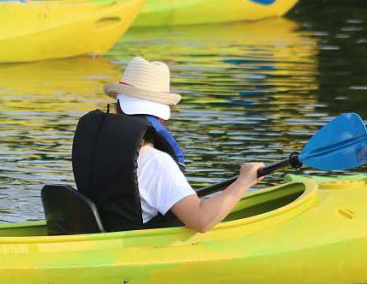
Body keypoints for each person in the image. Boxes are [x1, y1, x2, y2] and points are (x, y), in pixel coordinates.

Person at [72, 57, 263, 233]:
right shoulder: (157, 162)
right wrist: (243, 181)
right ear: (162, 118)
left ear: (116, 108)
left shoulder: (100, 150)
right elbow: (201, 221)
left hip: (100, 234)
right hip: (133, 248)